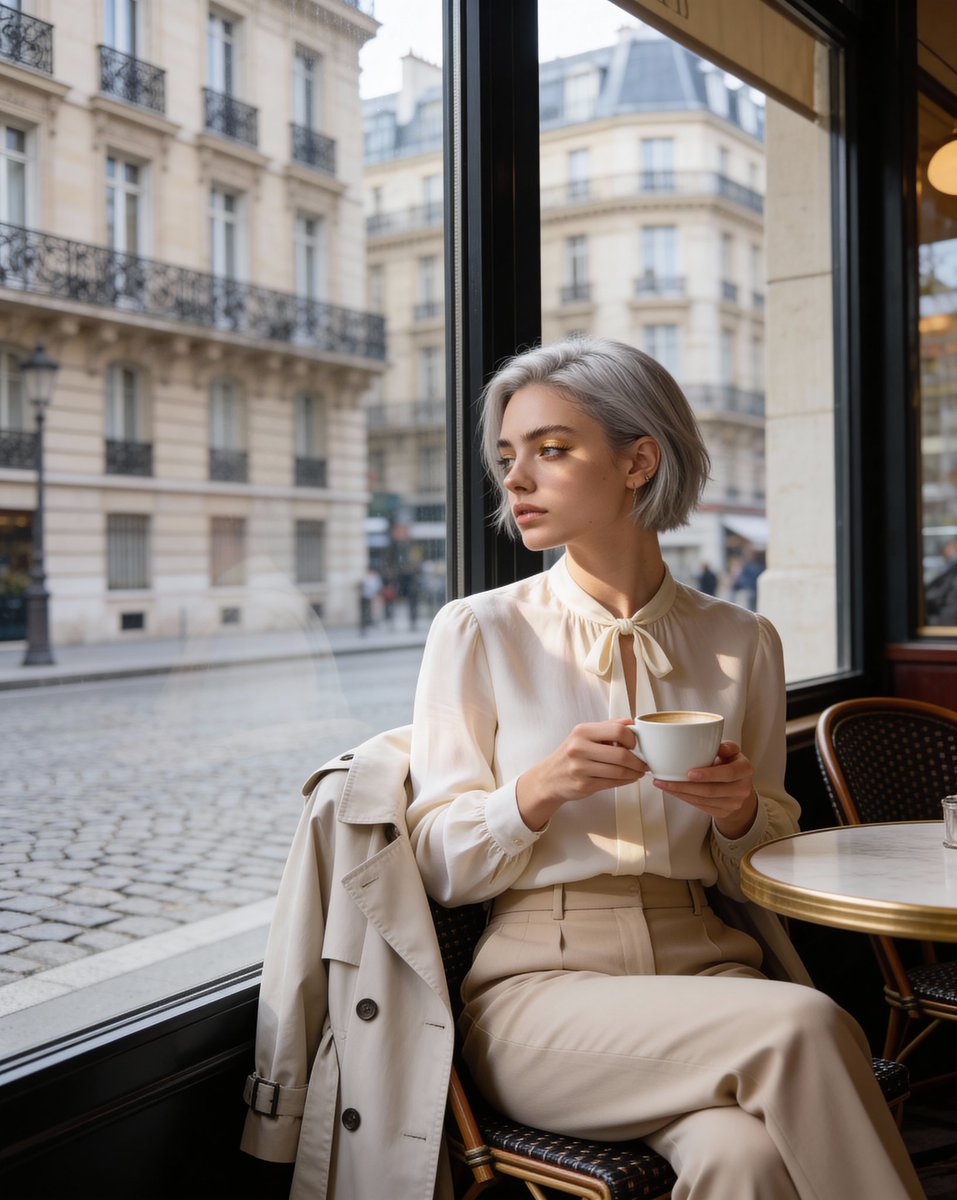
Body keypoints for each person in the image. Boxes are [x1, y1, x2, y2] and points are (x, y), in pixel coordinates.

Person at [407, 336, 923, 1199]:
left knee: (742, 1160)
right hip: (542, 990)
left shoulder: (740, 639)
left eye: (552, 449)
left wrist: (735, 817)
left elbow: (758, 864)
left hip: (708, 969)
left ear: (639, 458)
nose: (515, 479)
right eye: (507, 456)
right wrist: (537, 791)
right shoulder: (480, 630)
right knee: (802, 1026)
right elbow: (437, 865)